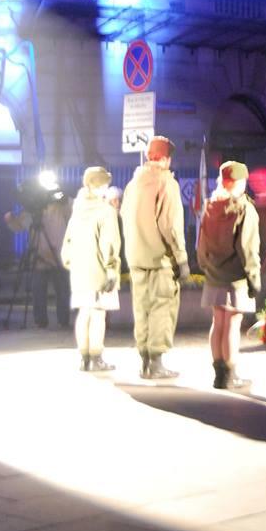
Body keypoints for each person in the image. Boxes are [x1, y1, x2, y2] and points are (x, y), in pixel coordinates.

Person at [121, 135, 190, 379]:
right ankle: (157, 363)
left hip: (136, 257)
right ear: (166, 158)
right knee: (162, 307)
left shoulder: (133, 184)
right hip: (160, 259)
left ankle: (144, 362)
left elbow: (124, 218)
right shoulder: (165, 183)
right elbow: (170, 226)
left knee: (142, 309)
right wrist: (181, 260)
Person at [197, 160, 261, 391]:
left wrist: (207, 267)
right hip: (236, 278)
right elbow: (248, 249)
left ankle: (219, 374)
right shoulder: (245, 209)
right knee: (232, 324)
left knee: (218, 322)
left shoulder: (211, 206)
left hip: (214, 275)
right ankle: (231, 374)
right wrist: (254, 279)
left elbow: (201, 245)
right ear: (241, 182)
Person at [61, 167, 121, 372]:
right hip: (99, 272)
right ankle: (96, 358)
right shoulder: (105, 210)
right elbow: (109, 243)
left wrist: (70, 262)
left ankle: (84, 358)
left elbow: (67, 244)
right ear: (101, 185)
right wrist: (111, 269)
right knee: (97, 315)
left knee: (84, 313)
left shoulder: (77, 210)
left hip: (79, 272)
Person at [4, 180, 72, 328]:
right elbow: (19, 226)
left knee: (62, 290)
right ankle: (40, 321)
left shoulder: (59, 205)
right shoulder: (30, 211)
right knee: (38, 291)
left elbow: (72, 209)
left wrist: (63, 196)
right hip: (38, 256)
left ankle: (63, 320)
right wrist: (10, 220)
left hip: (59, 255)